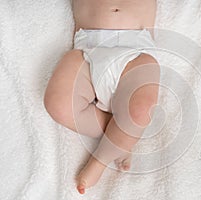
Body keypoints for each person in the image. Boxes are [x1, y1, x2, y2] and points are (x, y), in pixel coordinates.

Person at [43, 0, 159, 195]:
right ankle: (121, 136)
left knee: (140, 109)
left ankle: (101, 160)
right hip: (86, 50)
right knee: (58, 104)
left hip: (135, 51)